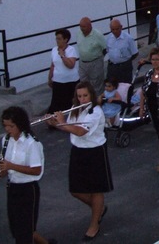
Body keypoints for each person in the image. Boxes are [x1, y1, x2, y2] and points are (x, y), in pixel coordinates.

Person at [48, 81, 113, 241]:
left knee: (96, 189)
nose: (83, 99)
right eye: (79, 96)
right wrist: (54, 123)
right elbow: (68, 127)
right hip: (78, 151)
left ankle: (94, 224)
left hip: (95, 152)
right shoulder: (75, 110)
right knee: (75, 190)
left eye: (85, 96)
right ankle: (98, 209)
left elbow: (80, 131)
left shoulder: (95, 112)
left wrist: (61, 121)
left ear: (91, 95)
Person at [0, 107, 55, 244]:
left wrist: (11, 166)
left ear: (20, 124)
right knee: (16, 228)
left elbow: (36, 170)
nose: (8, 129)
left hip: (28, 190)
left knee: (25, 231)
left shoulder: (31, 143)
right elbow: (4, 168)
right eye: (5, 126)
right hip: (13, 188)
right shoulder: (6, 140)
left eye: (11, 126)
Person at [48, 28, 80, 113]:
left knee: (69, 104)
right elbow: (53, 65)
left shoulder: (71, 50)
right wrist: (49, 78)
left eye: (59, 39)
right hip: (58, 81)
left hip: (70, 82)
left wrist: (63, 55)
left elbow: (71, 65)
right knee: (56, 105)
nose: (57, 41)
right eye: (56, 38)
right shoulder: (54, 50)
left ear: (65, 39)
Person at [77, 17, 107, 95]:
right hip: (82, 63)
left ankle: (97, 103)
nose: (81, 28)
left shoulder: (98, 35)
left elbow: (105, 48)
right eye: (80, 26)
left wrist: (99, 59)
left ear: (90, 26)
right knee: (83, 85)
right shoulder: (79, 33)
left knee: (97, 85)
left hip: (95, 62)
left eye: (84, 26)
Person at [106, 19, 138, 84]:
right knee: (111, 87)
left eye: (117, 29)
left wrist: (125, 61)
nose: (115, 31)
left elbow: (135, 53)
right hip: (112, 67)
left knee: (125, 87)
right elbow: (107, 50)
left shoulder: (128, 38)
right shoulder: (109, 38)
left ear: (121, 27)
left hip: (124, 68)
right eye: (113, 29)